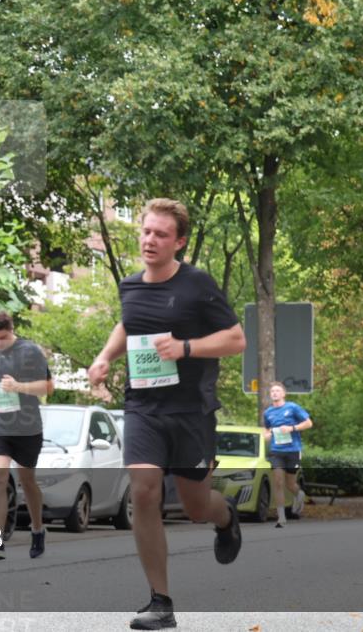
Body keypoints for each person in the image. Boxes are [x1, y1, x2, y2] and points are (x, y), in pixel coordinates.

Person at [88, 198, 247, 631]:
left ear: (178, 242)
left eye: (160, 234)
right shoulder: (131, 286)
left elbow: (236, 340)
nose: (150, 240)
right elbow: (128, 324)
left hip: (190, 410)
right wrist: (104, 357)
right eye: (145, 231)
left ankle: (225, 517)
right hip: (144, 406)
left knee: (196, 507)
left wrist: (186, 348)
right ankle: (160, 601)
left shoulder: (198, 285)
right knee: (143, 491)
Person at [0, 311, 54, 561]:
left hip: (27, 428)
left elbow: (48, 387)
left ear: (12, 330)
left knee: (27, 481)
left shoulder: (30, 351)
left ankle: (37, 529)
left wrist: (19, 387)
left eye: (3, 337)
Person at [262, 381, 313, 528]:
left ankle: (299, 494)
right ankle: (281, 517)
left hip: (293, 450)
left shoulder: (292, 407)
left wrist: (292, 428)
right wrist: (267, 434)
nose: (275, 393)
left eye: (277, 391)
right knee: (278, 482)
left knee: (290, 483)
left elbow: (309, 423)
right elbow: (267, 430)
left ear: (284, 394)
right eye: (272, 391)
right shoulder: (268, 413)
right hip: (276, 451)